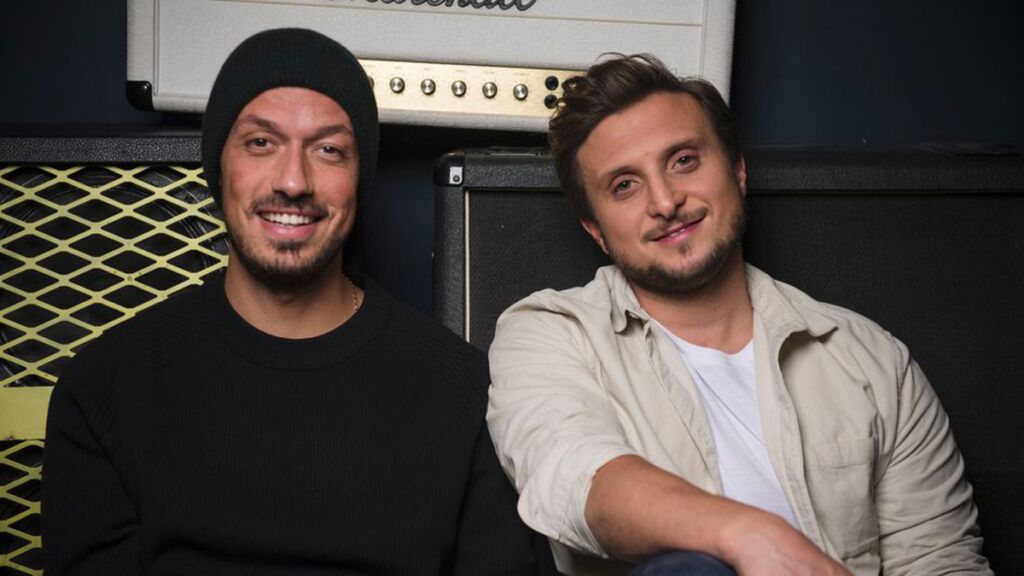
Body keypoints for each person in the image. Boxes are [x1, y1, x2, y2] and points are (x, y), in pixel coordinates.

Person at [42, 28, 553, 575]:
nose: (293, 181)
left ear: (359, 178)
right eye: (261, 142)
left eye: (328, 150)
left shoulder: (463, 393)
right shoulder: (106, 387)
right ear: (219, 167)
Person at [486, 54, 991, 575]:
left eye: (684, 161)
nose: (665, 201)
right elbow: (576, 478)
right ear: (596, 229)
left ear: (738, 170)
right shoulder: (549, 335)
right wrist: (752, 536)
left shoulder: (873, 360)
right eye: (625, 186)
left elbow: (940, 560)